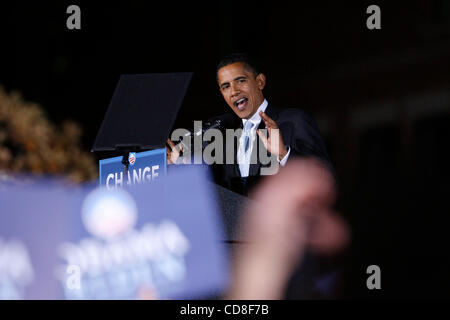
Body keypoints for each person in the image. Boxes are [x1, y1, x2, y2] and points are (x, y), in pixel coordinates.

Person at [167, 53, 333, 196]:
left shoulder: (293, 120)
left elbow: (323, 179)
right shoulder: (225, 139)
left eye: (240, 81)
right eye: (226, 86)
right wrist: (182, 167)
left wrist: (283, 154)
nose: (234, 91)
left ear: (260, 82)